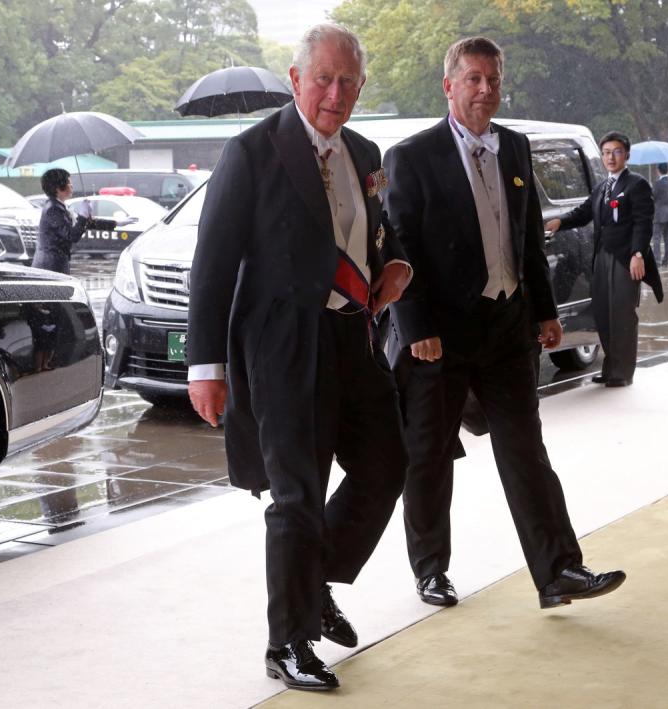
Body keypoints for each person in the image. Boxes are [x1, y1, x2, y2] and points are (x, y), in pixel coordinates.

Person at [184, 24, 411, 691]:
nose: (334, 94)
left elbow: (378, 236)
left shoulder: (365, 151)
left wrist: (393, 265)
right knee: (297, 493)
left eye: (347, 82)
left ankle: (313, 581)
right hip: (281, 348)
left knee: (387, 462)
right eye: (323, 79)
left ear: (361, 85)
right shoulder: (253, 151)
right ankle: (287, 642)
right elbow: (213, 263)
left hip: (353, 338)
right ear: (295, 78)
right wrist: (206, 367)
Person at [383, 36, 625, 613]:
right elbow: (400, 243)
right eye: (473, 79)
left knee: (525, 451)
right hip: (437, 337)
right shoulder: (411, 157)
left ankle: (559, 570)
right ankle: (430, 570)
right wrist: (415, 325)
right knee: (429, 455)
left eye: (492, 78)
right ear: (449, 86)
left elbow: (527, 241)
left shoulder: (515, 149)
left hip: (507, 329)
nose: (485, 89)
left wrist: (544, 310)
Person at [546, 131, 663, 386]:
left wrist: (638, 254)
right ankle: (611, 368)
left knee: (622, 315)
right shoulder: (602, 187)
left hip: (625, 259)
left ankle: (622, 373)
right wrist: (560, 221)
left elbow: (644, 224)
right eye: (607, 152)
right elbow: (584, 212)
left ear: (627, 155)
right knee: (604, 314)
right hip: (602, 257)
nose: (611, 157)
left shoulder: (636, 184)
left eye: (617, 152)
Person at [32, 168, 114, 274]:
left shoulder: (58, 206)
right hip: (50, 266)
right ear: (58, 187)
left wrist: (115, 224)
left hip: (54, 263)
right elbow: (72, 235)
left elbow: (85, 224)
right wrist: (83, 215)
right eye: (69, 183)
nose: (72, 186)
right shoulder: (53, 209)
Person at [651, 162, 668, 267]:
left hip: (659, 215)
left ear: (658, 170)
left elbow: (653, 198)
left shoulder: (656, 184)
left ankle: (657, 261)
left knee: (656, 238)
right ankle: (666, 261)